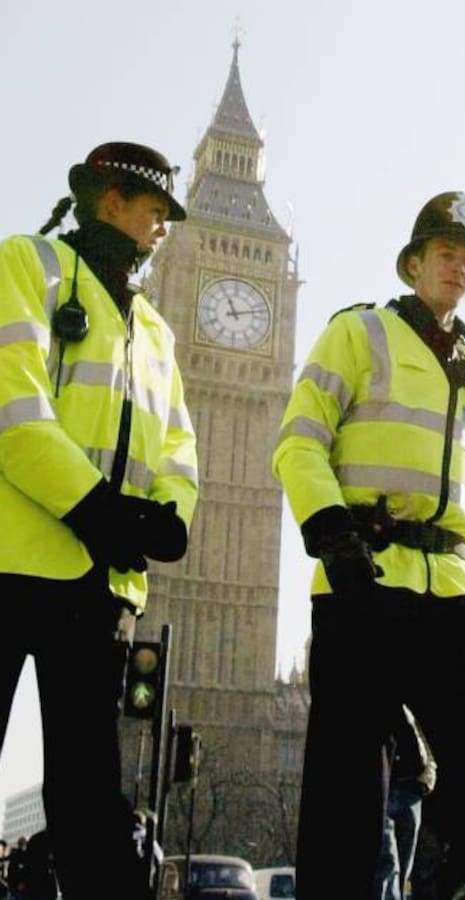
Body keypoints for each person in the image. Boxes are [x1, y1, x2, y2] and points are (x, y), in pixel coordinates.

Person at [273, 190, 465, 900]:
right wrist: (328, 528)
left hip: (454, 600)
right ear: (414, 264)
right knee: (346, 803)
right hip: (363, 582)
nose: (460, 269)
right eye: (447, 256)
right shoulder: (360, 333)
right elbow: (300, 438)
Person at [0, 142, 198, 900]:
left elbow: (178, 444)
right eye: (155, 212)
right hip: (13, 562)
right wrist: (95, 508)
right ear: (109, 201)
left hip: (98, 587)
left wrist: (169, 518)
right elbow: (15, 408)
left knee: (89, 802)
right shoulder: (31, 265)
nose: (163, 230)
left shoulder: (155, 330)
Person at [376, 707, 437, 900]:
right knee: (388, 865)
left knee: (399, 871)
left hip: (410, 790)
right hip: (387, 786)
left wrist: (427, 776)